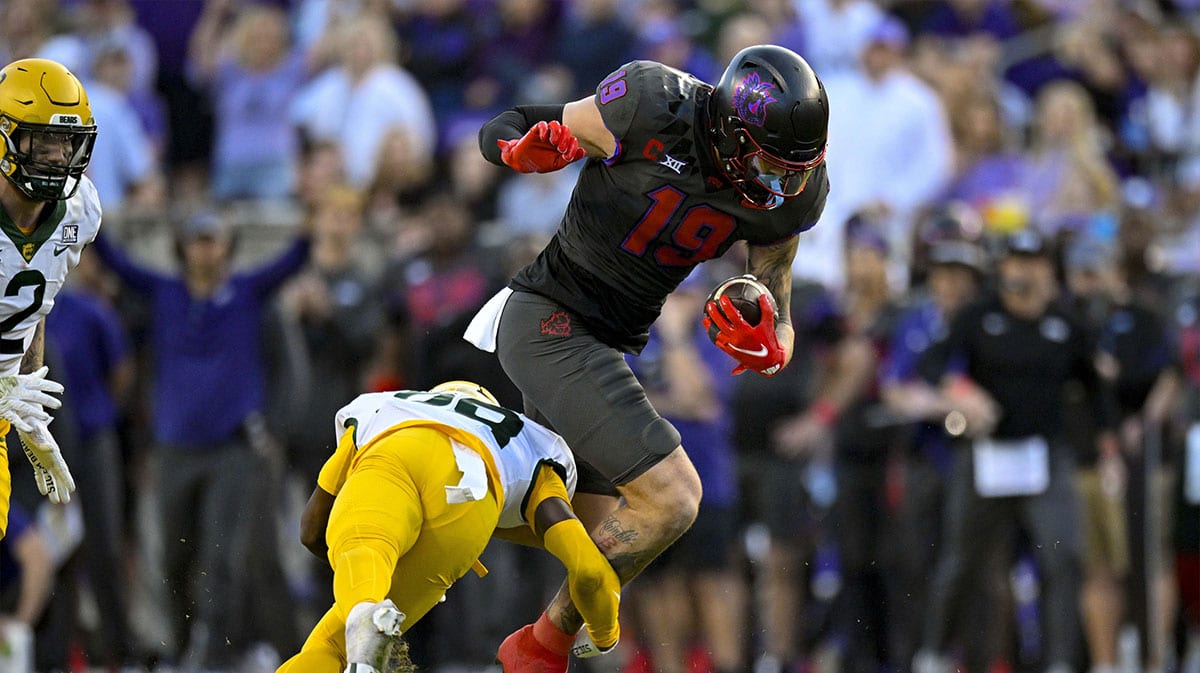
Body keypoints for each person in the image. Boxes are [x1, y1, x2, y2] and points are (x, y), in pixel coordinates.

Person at [468, 44, 829, 672]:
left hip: (609, 345)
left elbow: (776, 292)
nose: (783, 187)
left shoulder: (789, 192)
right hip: (551, 318)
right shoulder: (651, 104)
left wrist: (771, 338)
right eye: (771, 167)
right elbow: (516, 120)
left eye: (795, 173)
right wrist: (518, 150)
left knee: (600, 549)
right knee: (672, 498)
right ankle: (537, 648)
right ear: (729, 130)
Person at [276, 381, 620, 673]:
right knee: (337, 643)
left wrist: (354, 571)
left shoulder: (386, 405)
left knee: (355, 587)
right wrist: (605, 631)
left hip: (392, 450)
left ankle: (364, 611)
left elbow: (309, 530)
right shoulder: (530, 442)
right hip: (471, 491)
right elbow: (588, 568)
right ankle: (366, 623)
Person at [0, 57, 102, 534]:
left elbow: (35, 305)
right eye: (44, 141)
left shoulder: (79, 210)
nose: (59, 156)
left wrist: (28, 415)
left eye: (67, 141)